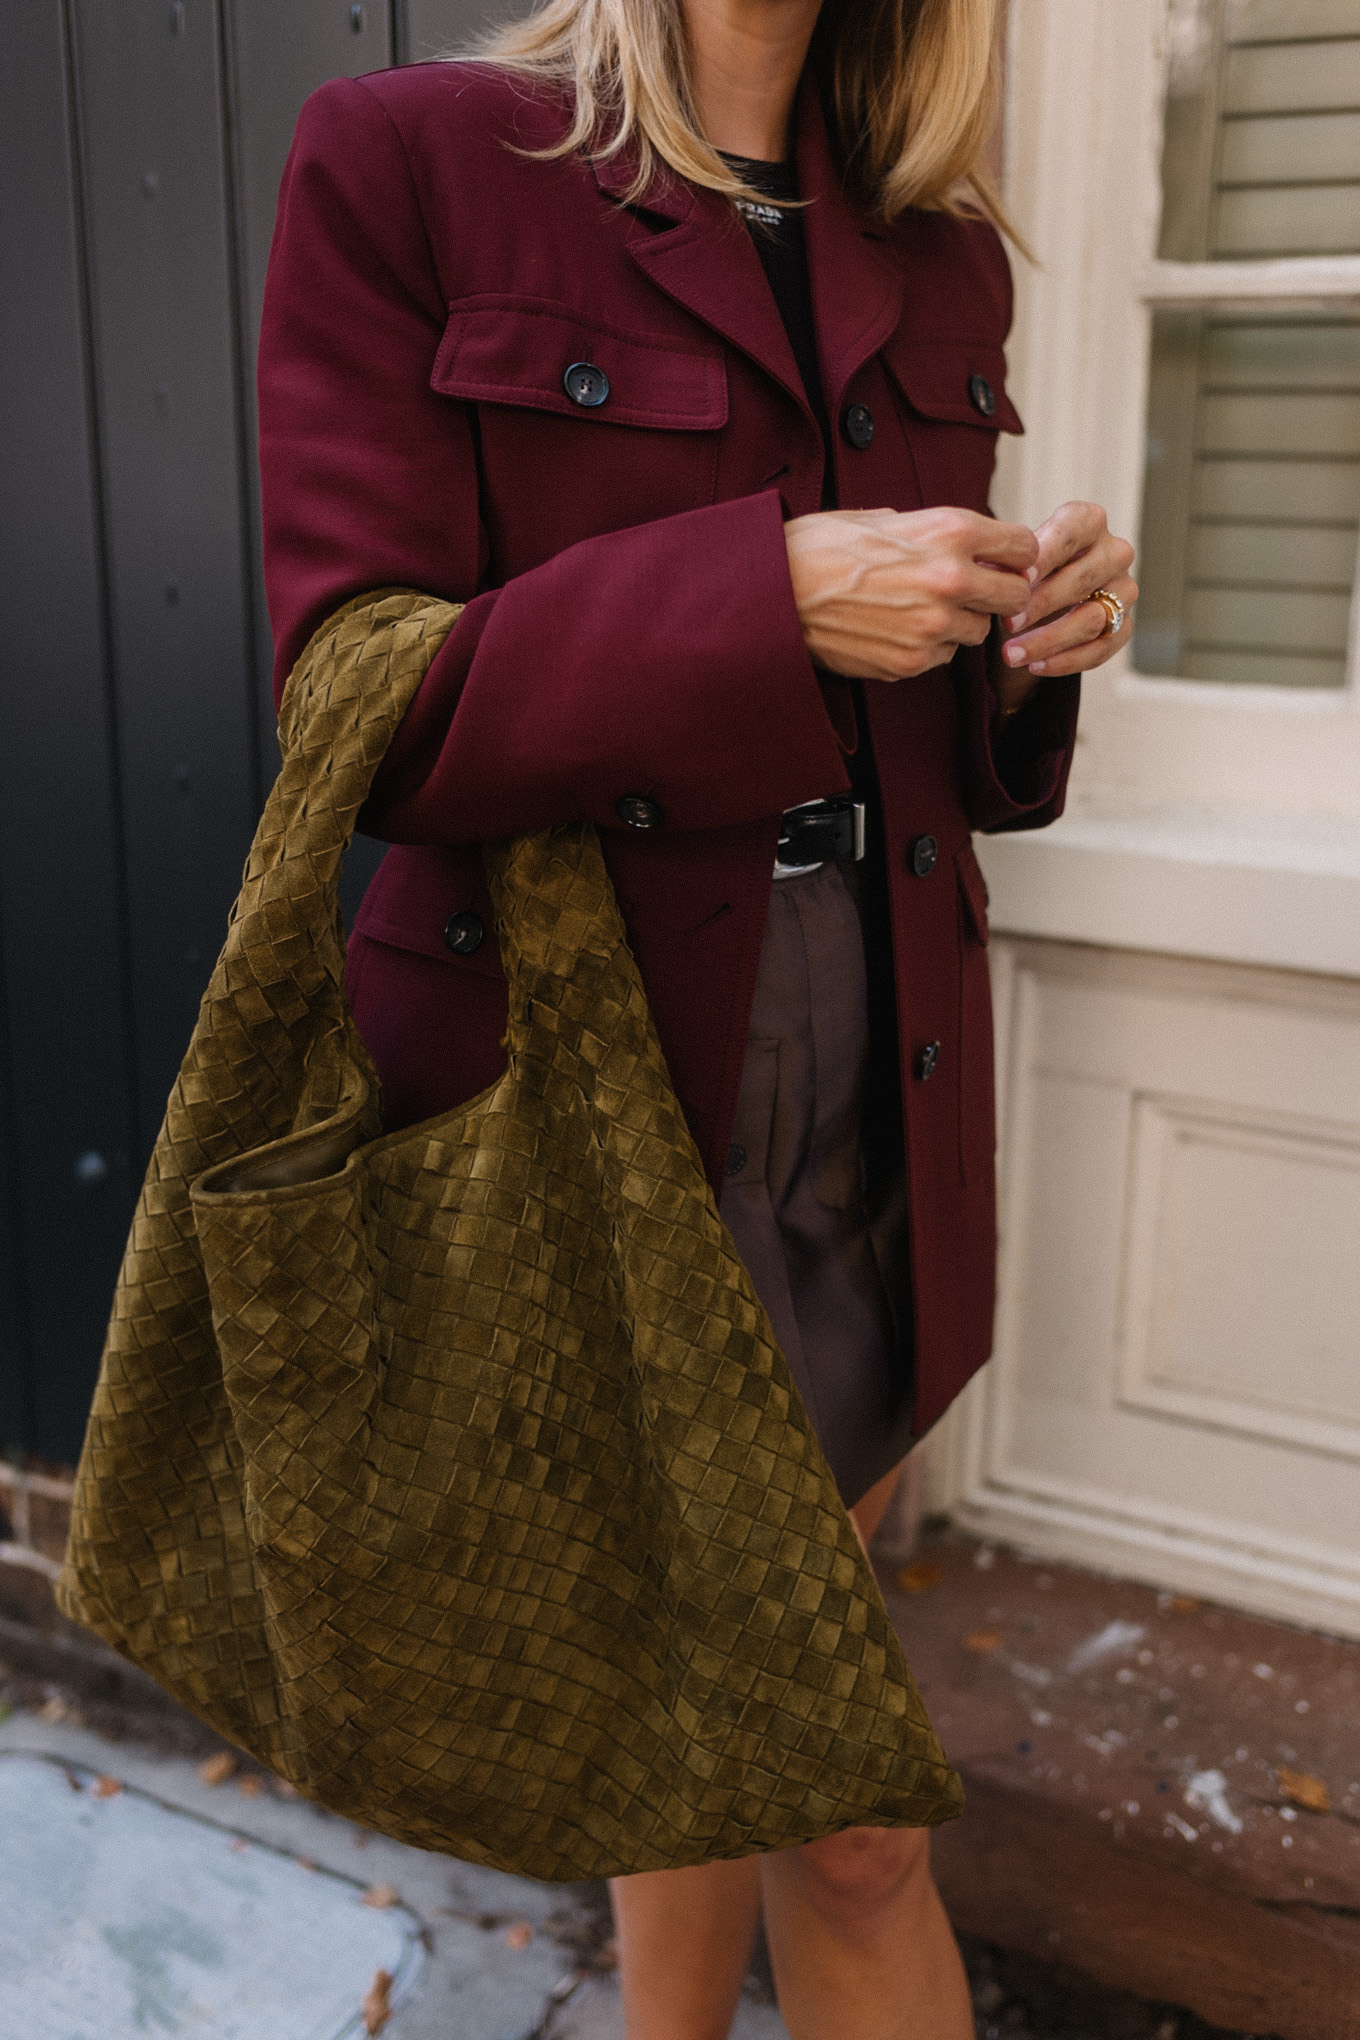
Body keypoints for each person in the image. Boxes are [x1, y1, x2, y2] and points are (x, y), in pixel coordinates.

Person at [256, 0, 1136, 2030]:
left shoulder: (931, 235)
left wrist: (1020, 650)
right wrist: (756, 598)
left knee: (736, 1713)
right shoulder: (410, 159)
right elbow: (350, 698)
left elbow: (924, 742)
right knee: (837, 1808)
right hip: (584, 1084)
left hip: (870, 1069)